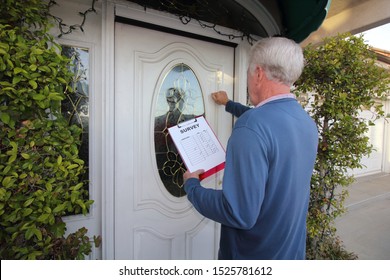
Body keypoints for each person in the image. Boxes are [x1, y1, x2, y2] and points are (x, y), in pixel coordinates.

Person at [183, 37, 318, 260]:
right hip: (290, 254)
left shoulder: (251, 127)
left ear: (258, 73)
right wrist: (229, 104)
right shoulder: (305, 122)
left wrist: (192, 187)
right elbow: (271, 124)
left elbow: (237, 213)